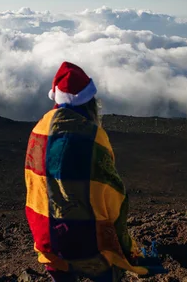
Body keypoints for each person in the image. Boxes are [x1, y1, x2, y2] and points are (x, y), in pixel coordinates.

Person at [24, 62, 160, 282]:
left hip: (48, 240)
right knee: (109, 267)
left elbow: (34, 187)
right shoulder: (94, 136)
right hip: (89, 245)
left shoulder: (38, 129)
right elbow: (112, 193)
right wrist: (125, 246)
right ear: (90, 102)